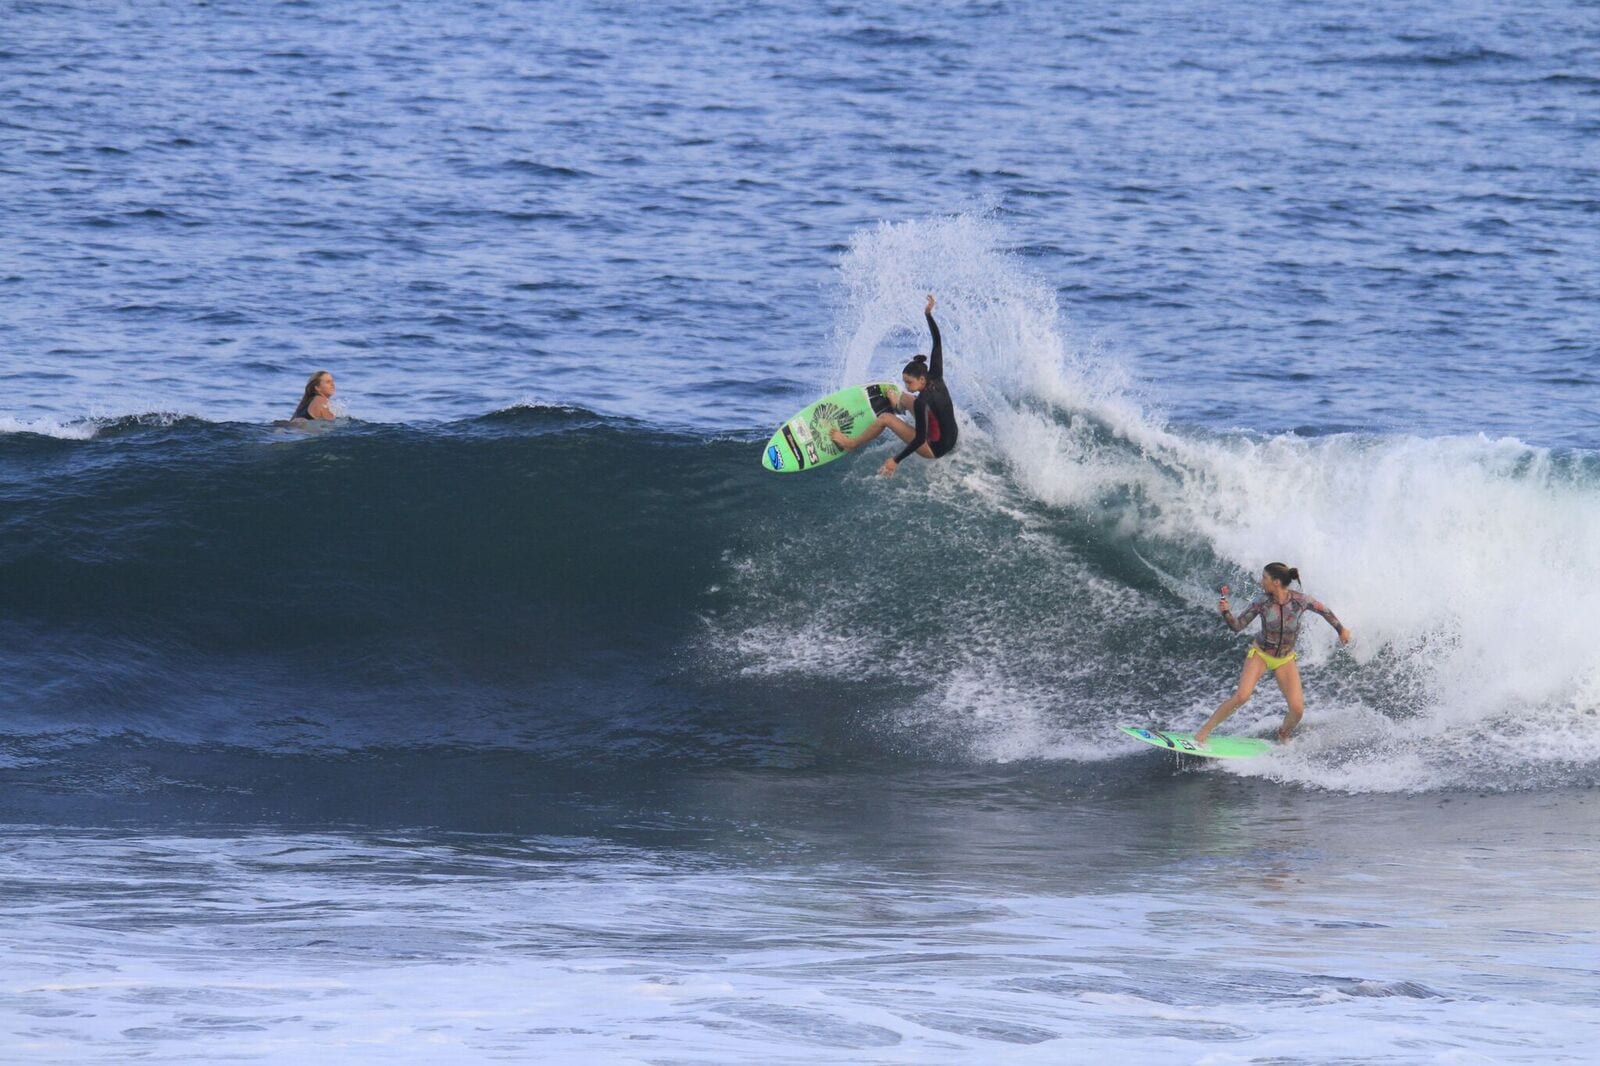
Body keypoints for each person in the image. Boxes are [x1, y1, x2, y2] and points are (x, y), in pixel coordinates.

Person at [1195, 562, 1352, 745]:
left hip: (1284, 659)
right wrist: (1226, 612)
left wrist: (1341, 630)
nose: (1262, 581)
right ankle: (1203, 733)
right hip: (1260, 654)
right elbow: (1237, 626)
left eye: (1265, 578)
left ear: (1276, 582)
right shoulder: (1262, 602)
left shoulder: (1301, 601)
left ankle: (1283, 733)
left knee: (1297, 709)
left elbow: (1325, 611)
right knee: (1242, 696)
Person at [830, 294, 957, 476]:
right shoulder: (935, 375)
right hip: (952, 438)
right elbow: (937, 342)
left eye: (909, 382)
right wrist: (928, 314)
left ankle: (851, 444)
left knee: (886, 418)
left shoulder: (923, 402)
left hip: (934, 448)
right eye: (905, 381)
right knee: (902, 397)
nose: (906, 385)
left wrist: (895, 460)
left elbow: (920, 438)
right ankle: (899, 405)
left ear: (922, 379)